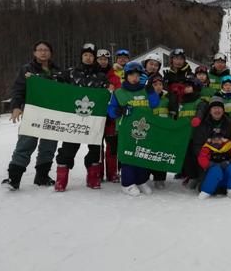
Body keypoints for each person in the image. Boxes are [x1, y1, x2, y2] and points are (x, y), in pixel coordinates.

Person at [2, 41, 61, 190]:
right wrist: (16, 107)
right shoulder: (27, 69)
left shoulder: (58, 71)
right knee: (25, 144)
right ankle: (13, 178)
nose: (43, 52)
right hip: (33, 113)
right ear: (34, 53)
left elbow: (65, 92)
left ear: (50, 53)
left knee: (49, 146)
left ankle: (42, 176)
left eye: (46, 50)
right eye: (39, 50)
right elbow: (18, 89)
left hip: (52, 114)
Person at [54, 43, 111, 192]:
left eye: (91, 55)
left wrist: (109, 90)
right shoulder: (70, 73)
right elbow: (54, 85)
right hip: (73, 119)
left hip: (94, 121)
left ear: (95, 58)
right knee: (68, 149)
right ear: (81, 56)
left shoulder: (101, 76)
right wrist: (35, 80)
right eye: (85, 55)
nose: (88, 57)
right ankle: (61, 179)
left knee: (95, 149)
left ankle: (93, 177)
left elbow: (106, 96)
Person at [107, 61, 160, 196]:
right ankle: (127, 183)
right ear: (126, 76)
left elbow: (155, 104)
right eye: (131, 75)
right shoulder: (119, 92)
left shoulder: (146, 90)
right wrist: (121, 110)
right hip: (125, 130)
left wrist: (150, 89)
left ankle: (141, 180)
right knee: (128, 156)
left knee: (142, 155)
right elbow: (111, 110)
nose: (135, 78)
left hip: (144, 130)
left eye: (138, 75)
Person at [188, 96, 231, 190]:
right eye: (214, 108)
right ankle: (197, 178)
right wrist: (208, 161)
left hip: (225, 160)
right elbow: (197, 145)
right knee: (205, 187)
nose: (217, 110)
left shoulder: (230, 123)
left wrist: (227, 160)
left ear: (223, 110)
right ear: (210, 111)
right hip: (208, 160)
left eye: (219, 108)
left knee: (225, 185)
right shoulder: (202, 125)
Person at [97, 48, 120, 182]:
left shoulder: (115, 78)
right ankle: (98, 172)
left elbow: (120, 95)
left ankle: (112, 173)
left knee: (112, 146)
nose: (103, 62)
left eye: (105, 59)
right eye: (100, 59)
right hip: (96, 117)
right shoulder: (92, 76)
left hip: (111, 117)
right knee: (96, 146)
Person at [197, 128, 231, 200]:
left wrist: (229, 162)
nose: (217, 139)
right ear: (211, 139)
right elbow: (202, 159)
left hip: (227, 180)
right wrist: (211, 164)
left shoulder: (229, 146)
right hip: (212, 178)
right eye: (214, 138)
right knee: (216, 170)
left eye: (219, 137)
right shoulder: (207, 148)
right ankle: (205, 192)